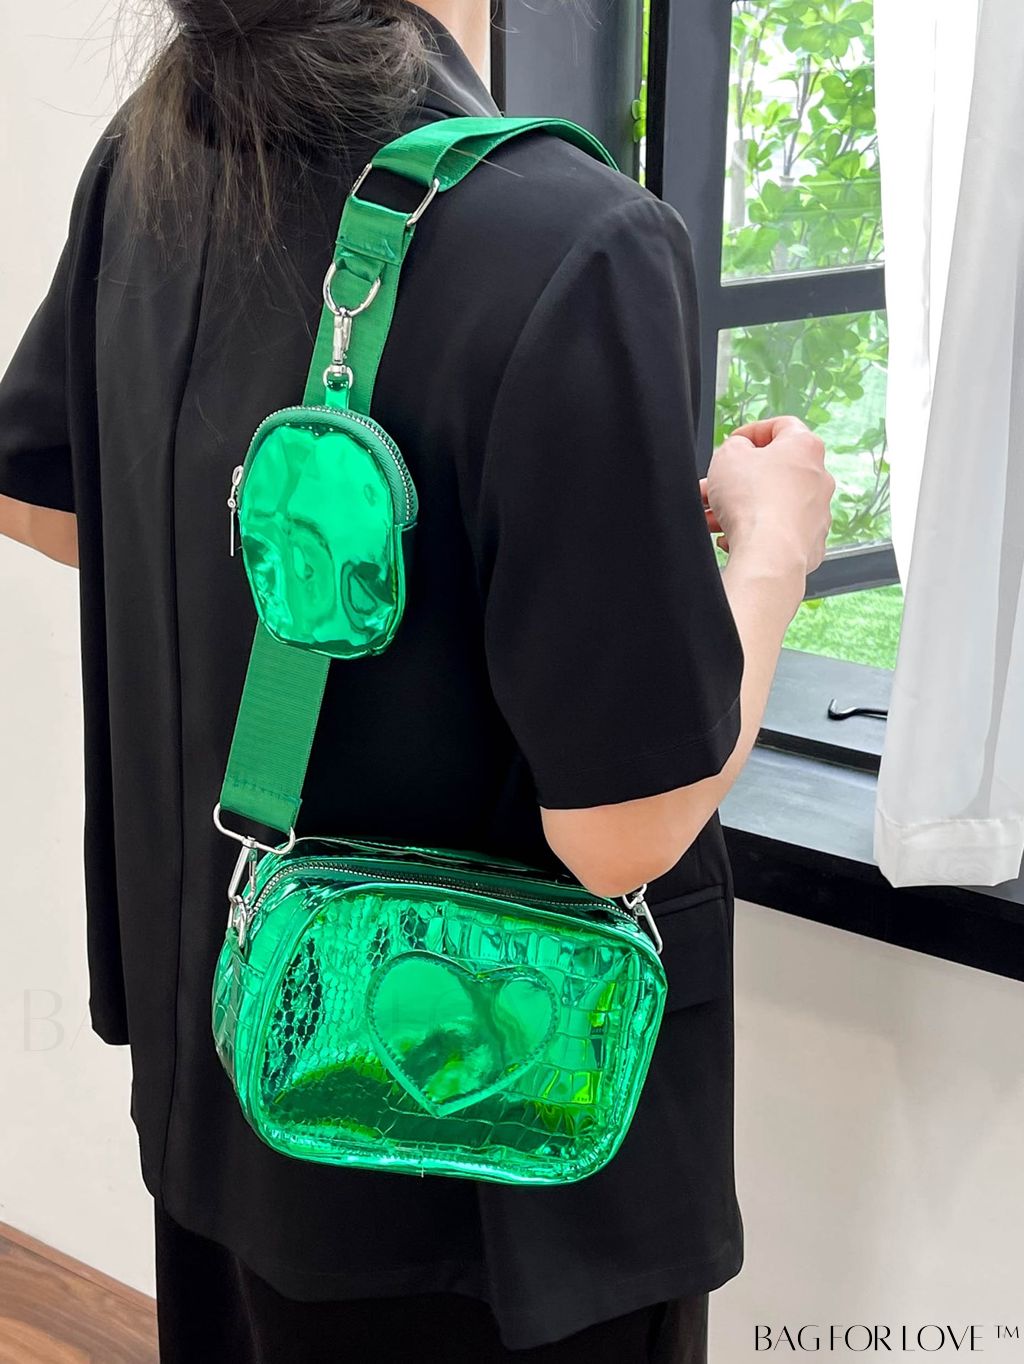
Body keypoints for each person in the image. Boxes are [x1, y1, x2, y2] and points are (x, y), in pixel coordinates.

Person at [0, 0, 833, 1359]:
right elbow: (625, 827)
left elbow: (41, 497)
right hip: (480, 1158)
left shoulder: (159, 149)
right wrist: (777, 545)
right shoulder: (569, 236)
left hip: (239, 1067)